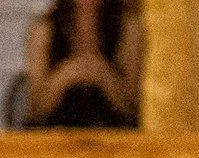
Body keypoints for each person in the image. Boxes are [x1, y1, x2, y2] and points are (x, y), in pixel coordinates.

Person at [24, 0, 146, 128]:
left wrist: (103, 76)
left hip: (110, 134)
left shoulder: (128, 26)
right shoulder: (44, 28)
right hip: (55, 133)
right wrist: (65, 75)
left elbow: (131, 112)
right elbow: (36, 111)